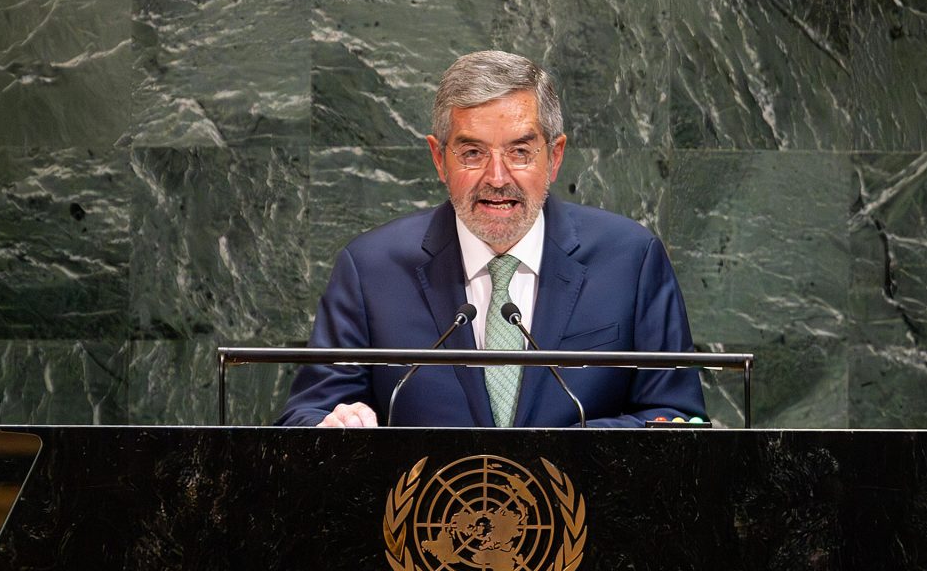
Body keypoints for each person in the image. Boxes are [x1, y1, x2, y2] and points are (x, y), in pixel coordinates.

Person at [277, 50, 705, 428]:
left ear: (554, 157)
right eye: (472, 153)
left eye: (520, 152)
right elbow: (308, 414)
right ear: (439, 159)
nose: (497, 178)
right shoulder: (371, 270)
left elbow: (678, 417)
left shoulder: (630, 260)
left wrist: (573, 452)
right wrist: (336, 425)